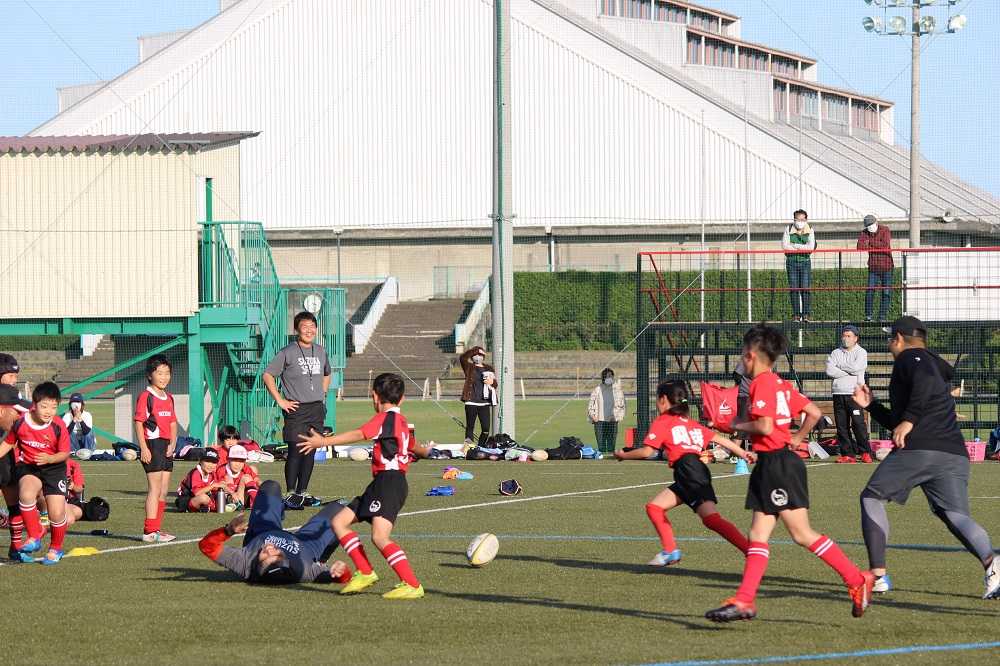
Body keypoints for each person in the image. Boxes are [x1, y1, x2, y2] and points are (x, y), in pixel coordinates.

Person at [705, 325, 873, 623]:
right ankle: (745, 600)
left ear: (751, 355)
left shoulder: (762, 383)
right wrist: (797, 437)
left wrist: (733, 426)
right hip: (775, 463)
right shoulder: (780, 384)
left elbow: (765, 426)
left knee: (799, 534)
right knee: (763, 535)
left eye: (743, 355)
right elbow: (814, 413)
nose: (741, 360)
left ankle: (856, 579)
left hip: (777, 465)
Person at [852, 316, 1000, 598]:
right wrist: (872, 405)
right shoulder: (930, 363)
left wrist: (909, 421)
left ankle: (878, 576)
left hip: (921, 449)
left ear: (898, 338)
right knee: (954, 514)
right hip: (953, 453)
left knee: (871, 498)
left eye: (890, 338)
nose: (889, 344)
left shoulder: (911, 358)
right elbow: (901, 420)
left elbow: (920, 395)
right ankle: (993, 563)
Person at [298, 372, 432, 599]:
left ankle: (412, 584)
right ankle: (365, 572)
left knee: (379, 537)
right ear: (402, 399)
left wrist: (323, 442)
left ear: (375, 396)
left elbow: (360, 433)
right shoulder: (402, 422)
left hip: (389, 482)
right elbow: (413, 446)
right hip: (386, 482)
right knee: (339, 521)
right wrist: (426, 451)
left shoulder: (384, 419)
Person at [614, 380, 754, 566]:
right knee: (655, 508)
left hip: (688, 471)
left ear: (663, 400)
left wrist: (623, 455)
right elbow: (721, 440)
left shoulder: (664, 421)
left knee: (711, 519)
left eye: (657, 399)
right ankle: (670, 550)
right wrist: (743, 453)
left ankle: (750, 551)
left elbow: (648, 452)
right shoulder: (691, 423)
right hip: (694, 470)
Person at [199, 479, 353, 585]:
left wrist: (228, 531)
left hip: (262, 531)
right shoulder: (304, 571)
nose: (269, 549)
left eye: (264, 556)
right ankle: (322, 560)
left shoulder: (245, 563)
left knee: (270, 487)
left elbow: (207, 546)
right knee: (340, 512)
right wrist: (342, 572)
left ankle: (278, 510)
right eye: (277, 555)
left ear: (258, 565)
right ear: (287, 563)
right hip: (306, 547)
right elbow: (342, 578)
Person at [263, 311, 332, 510]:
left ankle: (303, 491)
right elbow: (268, 375)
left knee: (310, 450)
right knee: (295, 450)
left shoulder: (321, 351)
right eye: (304, 327)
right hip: (296, 408)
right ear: (296, 330)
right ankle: (290, 492)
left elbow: (327, 373)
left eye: (312, 326)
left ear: (316, 329)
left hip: (316, 408)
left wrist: (323, 393)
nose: (309, 330)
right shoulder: (287, 352)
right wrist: (280, 401)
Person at [0, 382, 72, 565]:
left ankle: (56, 548)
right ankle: (34, 536)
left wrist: (50, 458)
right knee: (25, 494)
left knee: (56, 513)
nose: (49, 411)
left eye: (54, 407)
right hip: (30, 467)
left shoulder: (58, 425)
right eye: (44, 406)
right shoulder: (21, 422)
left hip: (54, 468)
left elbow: (65, 453)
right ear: (34, 404)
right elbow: (9, 442)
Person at [134, 354, 177, 544]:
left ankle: (156, 528)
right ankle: (149, 531)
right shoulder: (146, 396)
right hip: (153, 444)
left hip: (166, 445)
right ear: (149, 375)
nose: (164, 377)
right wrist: (143, 447)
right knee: (155, 488)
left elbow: (173, 422)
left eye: (167, 373)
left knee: (164, 490)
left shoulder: (169, 397)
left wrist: (173, 443)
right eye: (159, 373)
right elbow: (138, 422)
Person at [825, 325, 873, 464]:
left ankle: (865, 452)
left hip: (854, 393)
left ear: (855, 338)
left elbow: (857, 368)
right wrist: (848, 371)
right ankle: (848, 454)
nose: (845, 338)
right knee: (842, 426)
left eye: (849, 336)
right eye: (844, 336)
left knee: (858, 424)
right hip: (838, 393)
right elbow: (829, 370)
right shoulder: (835, 353)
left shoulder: (861, 352)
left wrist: (839, 366)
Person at [0, 383, 32, 561]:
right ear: (1, 411)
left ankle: (16, 547)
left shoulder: (8, 437)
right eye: (17, 412)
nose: (21, 417)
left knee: (14, 503)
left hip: (5, 458)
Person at [459, 345, 496, 452]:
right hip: (471, 402)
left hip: (484, 403)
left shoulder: (489, 368)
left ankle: (481, 447)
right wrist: (474, 351)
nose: (477, 357)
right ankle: (469, 449)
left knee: (486, 428)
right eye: (475, 355)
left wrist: (492, 382)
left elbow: (495, 384)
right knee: (470, 427)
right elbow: (462, 358)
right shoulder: (469, 367)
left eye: (480, 355)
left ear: (483, 356)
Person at [857, 214, 893, 322]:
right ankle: (868, 316)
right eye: (868, 226)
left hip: (886, 266)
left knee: (886, 293)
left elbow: (885, 245)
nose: (870, 227)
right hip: (873, 267)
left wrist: (870, 243)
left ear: (876, 222)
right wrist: (876, 244)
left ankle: (882, 317)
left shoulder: (885, 230)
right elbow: (859, 247)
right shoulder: (864, 232)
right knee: (870, 291)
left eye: (871, 225)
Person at [782, 209, 815, 323]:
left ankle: (806, 314)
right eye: (797, 219)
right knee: (794, 289)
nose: (799, 222)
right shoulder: (788, 229)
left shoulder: (810, 229)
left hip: (805, 262)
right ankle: (796, 315)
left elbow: (811, 247)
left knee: (805, 288)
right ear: (794, 219)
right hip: (791, 262)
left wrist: (795, 245)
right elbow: (785, 246)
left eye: (802, 219)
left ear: (806, 219)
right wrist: (802, 247)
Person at [588, 368, 626, 453]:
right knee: (601, 447)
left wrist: (617, 417)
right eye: (607, 376)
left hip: (612, 421)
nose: (609, 377)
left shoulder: (617, 390)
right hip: (599, 421)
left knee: (611, 447)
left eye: (610, 375)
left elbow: (622, 405)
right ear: (603, 377)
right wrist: (593, 416)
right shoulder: (598, 389)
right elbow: (591, 404)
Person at [175, 448, 224, 512]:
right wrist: (213, 486)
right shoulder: (196, 473)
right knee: (204, 498)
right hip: (186, 499)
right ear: (200, 461)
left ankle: (205, 507)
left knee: (221, 495)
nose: (210, 465)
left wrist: (228, 491)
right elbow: (197, 493)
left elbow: (216, 488)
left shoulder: (212, 474)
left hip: (202, 496)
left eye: (213, 462)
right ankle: (208, 507)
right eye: (207, 461)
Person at [214, 444, 260, 510]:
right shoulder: (222, 469)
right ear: (228, 459)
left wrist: (266, 488)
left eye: (241, 461)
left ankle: (256, 502)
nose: (237, 464)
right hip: (227, 498)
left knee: (247, 476)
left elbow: (256, 480)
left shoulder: (245, 467)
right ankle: (232, 503)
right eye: (235, 460)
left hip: (241, 498)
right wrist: (232, 492)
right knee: (228, 478)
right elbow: (221, 485)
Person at [64, 457, 85, 526]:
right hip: (47, 500)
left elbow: (79, 489)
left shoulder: (73, 465)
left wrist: (72, 486)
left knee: (77, 512)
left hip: (68, 502)